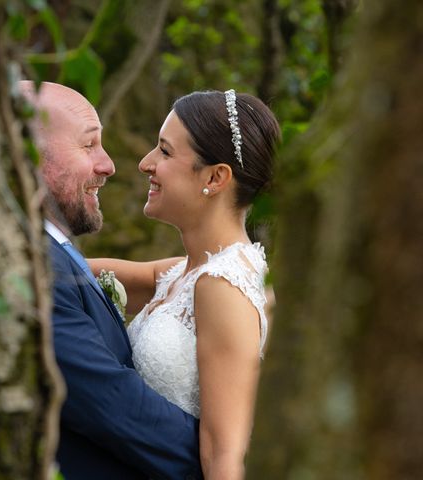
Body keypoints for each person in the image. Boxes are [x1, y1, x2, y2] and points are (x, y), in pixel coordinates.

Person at [89, 89, 281, 479]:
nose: (146, 163)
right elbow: (74, 268)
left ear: (215, 177)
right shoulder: (184, 273)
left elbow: (225, 454)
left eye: (164, 151)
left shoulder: (221, 286)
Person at [18, 80, 202, 480]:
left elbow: (170, 274)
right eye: (89, 146)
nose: (109, 165)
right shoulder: (31, 268)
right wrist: (232, 457)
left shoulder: (56, 255)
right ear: (25, 153)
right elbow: (112, 403)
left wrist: (236, 271)